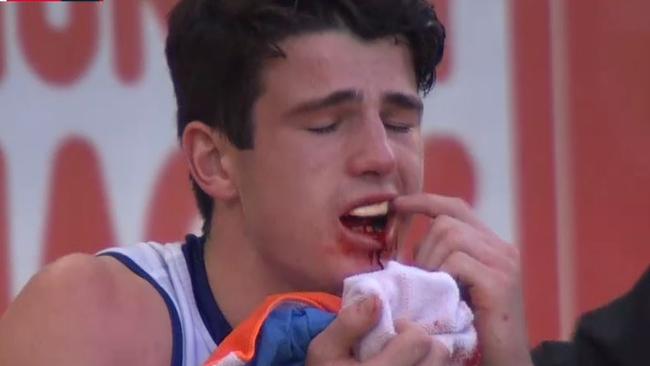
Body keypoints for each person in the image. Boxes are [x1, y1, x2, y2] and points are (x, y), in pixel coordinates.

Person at [0, 0, 533, 365]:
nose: (381, 156)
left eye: (399, 123)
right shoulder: (92, 318)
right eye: (326, 124)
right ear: (215, 162)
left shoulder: (444, 332)